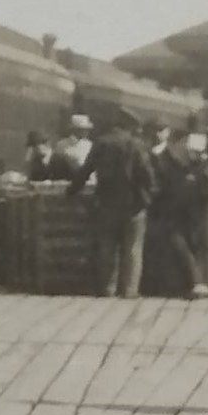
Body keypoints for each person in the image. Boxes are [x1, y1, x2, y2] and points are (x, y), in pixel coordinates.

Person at [68, 108, 154, 297]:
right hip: (133, 204)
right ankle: (129, 289)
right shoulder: (136, 145)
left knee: (107, 246)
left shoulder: (101, 143)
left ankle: (107, 288)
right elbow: (147, 174)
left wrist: (72, 190)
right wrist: (147, 196)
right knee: (133, 248)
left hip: (106, 202)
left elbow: (86, 170)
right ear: (130, 126)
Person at [151, 127, 208, 299]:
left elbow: (204, 187)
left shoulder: (194, 162)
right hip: (173, 211)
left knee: (189, 245)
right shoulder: (165, 159)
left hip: (189, 210)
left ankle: (192, 282)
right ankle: (196, 281)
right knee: (180, 244)